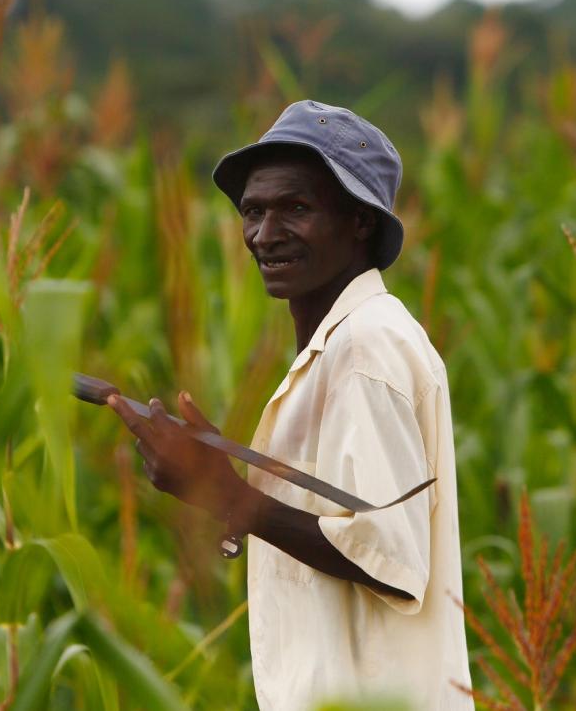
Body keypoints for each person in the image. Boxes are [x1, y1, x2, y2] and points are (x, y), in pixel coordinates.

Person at [106, 100, 473, 710]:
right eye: (253, 211)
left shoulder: (365, 348)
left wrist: (227, 495)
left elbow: (389, 555)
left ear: (359, 222)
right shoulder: (339, 347)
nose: (264, 235)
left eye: (295, 209)